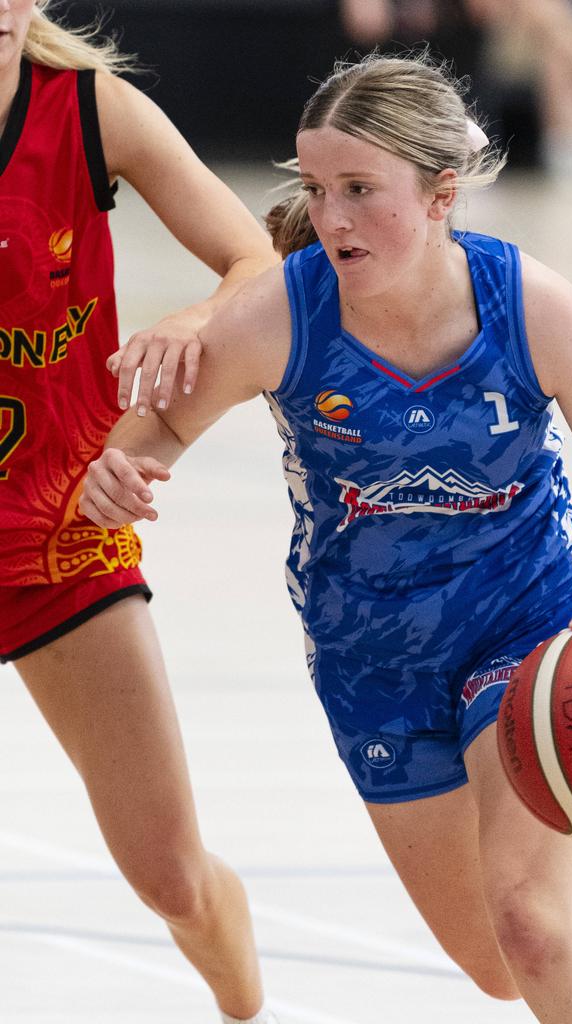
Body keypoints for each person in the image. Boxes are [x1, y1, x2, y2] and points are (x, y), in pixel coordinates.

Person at [82, 52, 572, 1024]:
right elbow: (153, 434)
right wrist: (119, 469)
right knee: (499, 961)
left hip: (527, 627)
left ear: (439, 194)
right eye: (317, 187)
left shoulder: (532, 309)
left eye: (361, 191)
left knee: (534, 926)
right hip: (371, 655)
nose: (329, 217)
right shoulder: (280, 315)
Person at [0, 2, 280, 1022]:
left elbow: (258, 263)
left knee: (171, 876)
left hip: (64, 528)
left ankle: (244, 1008)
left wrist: (196, 315)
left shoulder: (89, 110)